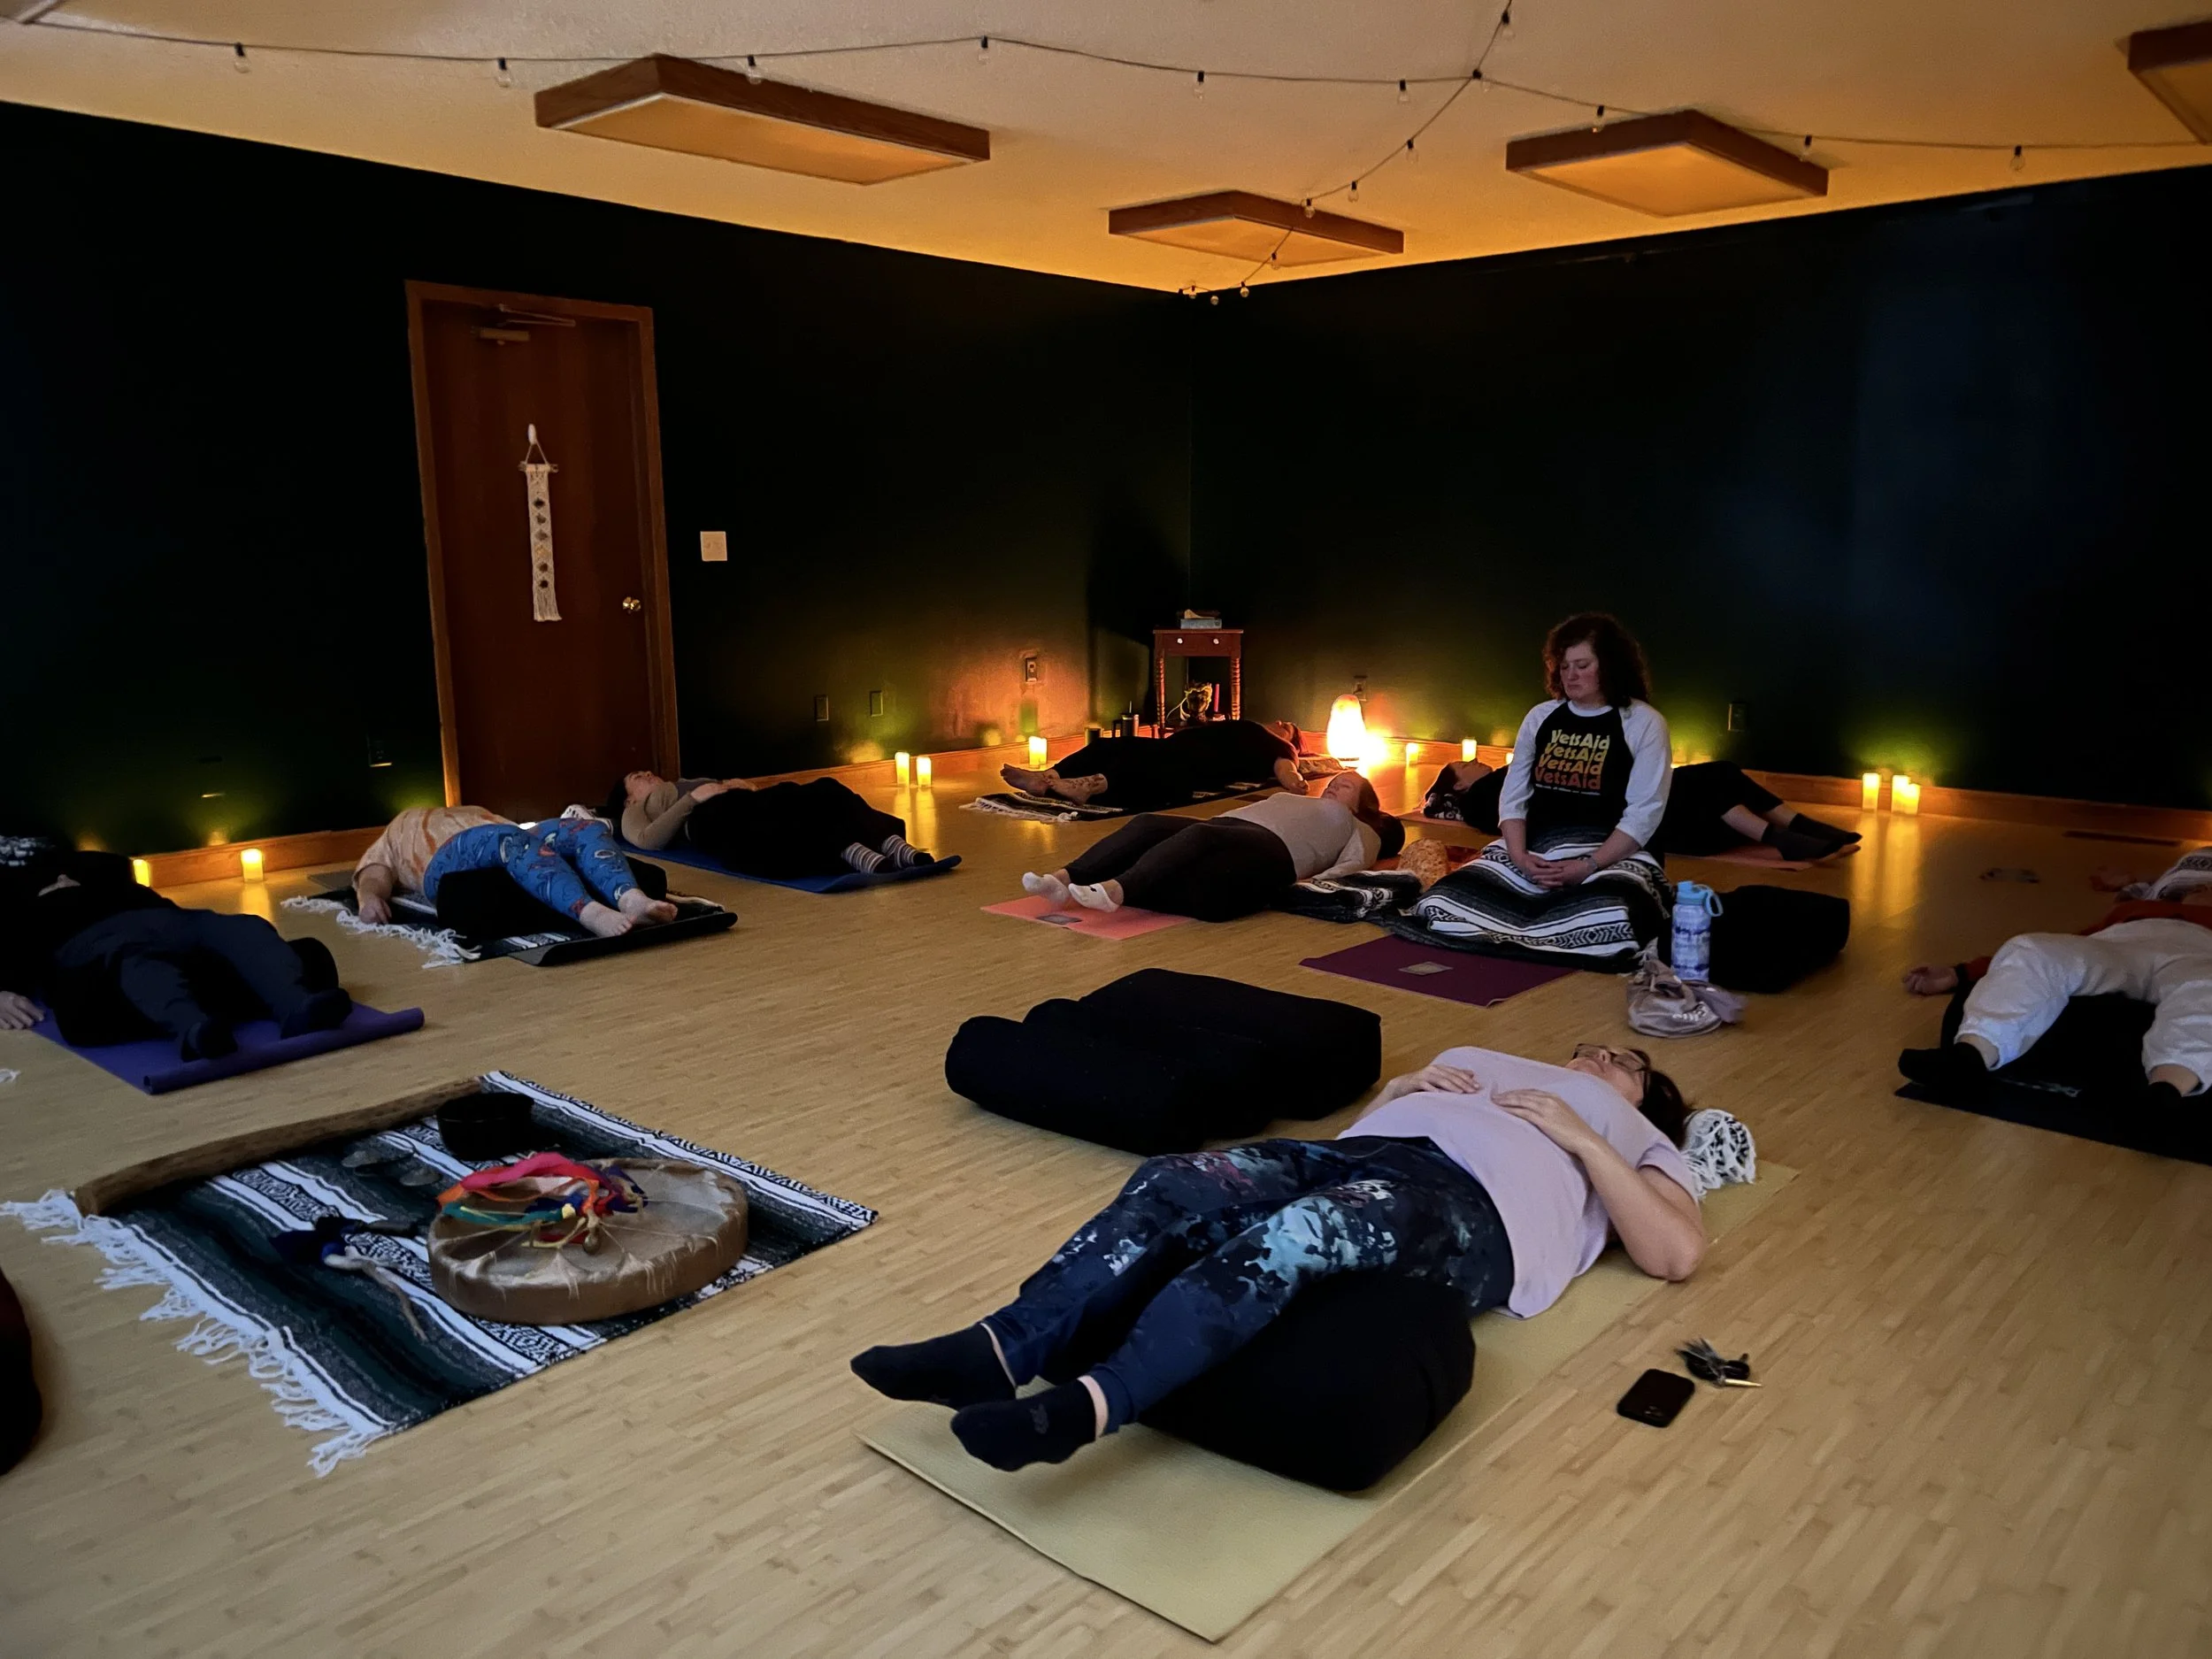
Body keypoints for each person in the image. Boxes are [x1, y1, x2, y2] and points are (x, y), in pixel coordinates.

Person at [850, 1040, 1703, 1471]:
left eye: (1626, 1063)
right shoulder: (1490, 1057)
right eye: (1597, 1049)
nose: (1603, 1056)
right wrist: (1401, 1090)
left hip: (1475, 1211)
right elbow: (1358, 1129)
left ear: (1646, 1098)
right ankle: (998, 1346)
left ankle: (1091, 1408)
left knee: (1302, 1236)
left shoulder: (1637, 1137)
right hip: (1365, 1151)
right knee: (1178, 1180)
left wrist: (1584, 1137)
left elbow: (1675, 1251)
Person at [1407, 615, 1674, 958]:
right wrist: (1519, 856)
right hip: (1537, 850)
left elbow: (1644, 813)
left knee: (1611, 919)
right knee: (1440, 904)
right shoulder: (1541, 716)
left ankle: (1534, 926)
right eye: (1564, 667)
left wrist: (1588, 866)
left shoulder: (1643, 723)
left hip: (1609, 855)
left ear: (1609, 665)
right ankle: (1538, 928)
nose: (1571, 675)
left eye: (1582, 665)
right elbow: (1514, 798)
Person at [1900, 847, 2212, 1103]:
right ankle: (1968, 1058)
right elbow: (2065, 949)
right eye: (2198, 886)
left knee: (2205, 990)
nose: (2203, 890)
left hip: (2202, 956)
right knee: (2032, 947)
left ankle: (2165, 1094)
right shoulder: (2136, 910)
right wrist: (1960, 972)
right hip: (2121, 947)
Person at [0, 850, 349, 1059]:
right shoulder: (18, 900)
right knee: (136, 964)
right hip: (95, 941)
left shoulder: (101, 870)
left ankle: (297, 1008)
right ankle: (194, 1031)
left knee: (243, 927)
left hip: (168, 921)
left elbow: (157, 901)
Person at [1018, 772, 1404, 922]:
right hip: (1233, 828)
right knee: (1148, 822)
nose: (1336, 784)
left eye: (1348, 785)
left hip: (1277, 852)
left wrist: (1308, 882)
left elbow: (1354, 864)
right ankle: (1061, 880)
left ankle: (1118, 890)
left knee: (1203, 837)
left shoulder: (1358, 825)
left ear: (1363, 803)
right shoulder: (1298, 799)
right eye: (1335, 780)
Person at [1425, 757, 1861, 863]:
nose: (1476, 760)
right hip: (1626, 819)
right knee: (1701, 787)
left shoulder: (1506, 774)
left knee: (1721, 773)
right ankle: (1783, 839)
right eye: (1466, 764)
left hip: (1621, 801)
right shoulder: (1483, 798)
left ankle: (1798, 826)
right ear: (1461, 782)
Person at [355, 805, 675, 939]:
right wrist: (368, 897)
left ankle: (631, 898)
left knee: (585, 827)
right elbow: (373, 872)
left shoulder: (473, 809)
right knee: (506, 839)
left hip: (508, 836)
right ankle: (590, 913)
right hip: (444, 859)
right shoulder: (402, 824)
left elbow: (519, 832)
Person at [611, 772, 934, 880]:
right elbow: (648, 840)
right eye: (637, 778)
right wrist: (694, 798)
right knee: (775, 829)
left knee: (823, 789)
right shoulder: (637, 810)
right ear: (628, 800)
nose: (648, 774)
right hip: (706, 820)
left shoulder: (680, 781)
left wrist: (743, 786)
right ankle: (847, 850)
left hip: (738, 801)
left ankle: (889, 841)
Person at [999, 720, 1304, 810]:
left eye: (1288, 725)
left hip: (1202, 765)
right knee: (1111, 745)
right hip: (1176, 745)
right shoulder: (1246, 724)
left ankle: (1089, 786)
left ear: (1292, 738)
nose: (1281, 722)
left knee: (1144, 764)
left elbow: (1287, 771)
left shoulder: (1280, 746)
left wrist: (1296, 782)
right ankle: (1047, 777)